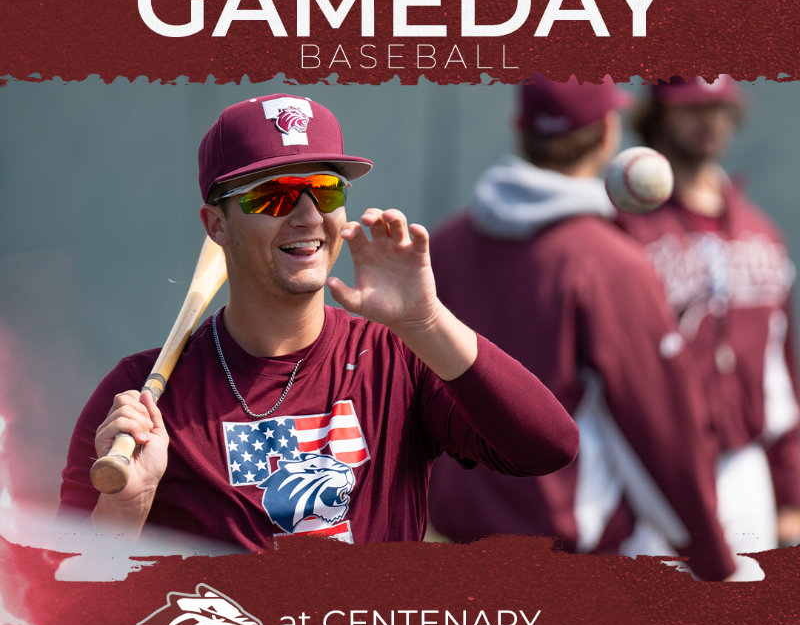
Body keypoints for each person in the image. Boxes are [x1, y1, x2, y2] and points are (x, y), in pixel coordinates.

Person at [57, 93, 579, 547]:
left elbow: (547, 447)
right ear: (216, 224)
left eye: (326, 190)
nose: (307, 216)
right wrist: (125, 511)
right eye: (274, 194)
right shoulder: (142, 401)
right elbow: (61, 604)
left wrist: (425, 322)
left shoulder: (397, 357)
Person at [426, 75, 737, 581]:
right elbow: (659, 428)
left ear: (519, 128)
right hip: (568, 567)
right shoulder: (610, 261)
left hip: (455, 554)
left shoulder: (443, 246)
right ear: (609, 133)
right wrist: (712, 558)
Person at [617, 76, 800, 570]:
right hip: (654, 472)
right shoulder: (623, 227)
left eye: (718, 108)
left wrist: (789, 491)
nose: (708, 121)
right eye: (692, 107)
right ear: (657, 113)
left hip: (744, 465)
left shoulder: (762, 232)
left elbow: (779, 373)